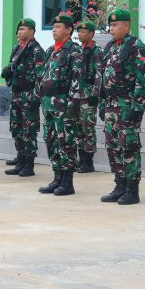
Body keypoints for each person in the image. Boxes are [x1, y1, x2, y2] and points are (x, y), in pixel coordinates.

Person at [94, 9, 145, 205]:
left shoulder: (136, 46)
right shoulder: (110, 46)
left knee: (129, 147)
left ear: (127, 25)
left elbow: (142, 80)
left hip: (127, 104)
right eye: (110, 25)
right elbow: (102, 76)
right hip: (111, 104)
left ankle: (132, 189)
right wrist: (101, 102)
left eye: (115, 25)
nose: (111, 28)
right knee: (113, 146)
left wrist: (137, 106)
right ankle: (119, 184)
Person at [36, 14, 84, 196]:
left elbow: (77, 79)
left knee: (66, 142)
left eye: (58, 27)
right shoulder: (50, 50)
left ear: (69, 29)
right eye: (53, 27)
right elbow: (42, 75)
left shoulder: (74, 51)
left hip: (64, 104)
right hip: (48, 103)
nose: (54, 30)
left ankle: (67, 181)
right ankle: (56, 177)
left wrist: (73, 104)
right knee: (51, 140)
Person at [2, 18, 45, 177]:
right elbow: (12, 67)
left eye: (23, 29)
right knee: (16, 129)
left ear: (32, 31)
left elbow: (40, 76)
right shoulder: (17, 48)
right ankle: (20, 160)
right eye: (18, 29)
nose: (19, 32)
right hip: (16, 94)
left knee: (29, 131)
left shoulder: (36, 50)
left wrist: (35, 96)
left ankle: (29, 164)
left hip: (29, 95)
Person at [74, 21, 102, 174]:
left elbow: (99, 74)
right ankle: (81, 158)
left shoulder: (96, 51)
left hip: (89, 94)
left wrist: (95, 94)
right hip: (77, 95)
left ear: (91, 33)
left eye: (83, 31)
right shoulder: (77, 50)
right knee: (78, 127)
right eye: (78, 31)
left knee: (88, 127)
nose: (80, 34)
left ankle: (88, 161)